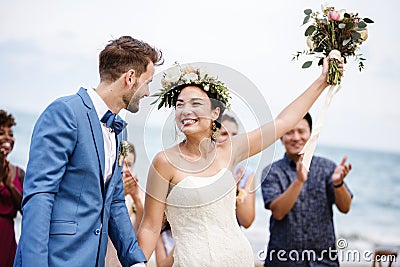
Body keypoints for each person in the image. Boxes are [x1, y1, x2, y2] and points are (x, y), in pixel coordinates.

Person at [137, 57, 343, 266]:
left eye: (196, 104)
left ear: (215, 112)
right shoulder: (164, 162)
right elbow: (150, 227)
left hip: (238, 258)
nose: (185, 111)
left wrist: (323, 80)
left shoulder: (230, 150)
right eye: (179, 105)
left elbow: (282, 122)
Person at [14, 36, 163, 267]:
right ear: (130, 77)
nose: (147, 92)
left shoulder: (118, 130)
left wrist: (135, 261)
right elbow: (39, 196)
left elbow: (114, 202)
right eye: (147, 82)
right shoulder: (65, 113)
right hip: (56, 259)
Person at [261, 112, 353, 266]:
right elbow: (278, 212)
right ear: (281, 137)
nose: (296, 137)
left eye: (301, 131)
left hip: (324, 261)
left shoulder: (327, 167)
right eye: (289, 132)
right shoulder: (272, 171)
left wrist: (338, 184)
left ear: (311, 134)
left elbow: (345, 207)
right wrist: (299, 181)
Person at [105, 141, 145, 267]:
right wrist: (118, 195)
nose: (126, 169)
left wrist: (137, 199)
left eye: (130, 165)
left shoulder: (137, 196)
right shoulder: (104, 191)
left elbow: (144, 229)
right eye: (123, 163)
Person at [217, 114, 255, 228]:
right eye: (224, 134)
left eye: (235, 135)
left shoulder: (245, 173)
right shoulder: (200, 169)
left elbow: (247, 221)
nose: (231, 139)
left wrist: (235, 190)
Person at [0, 110, 25, 267]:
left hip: (7, 242)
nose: (8, 137)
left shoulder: (19, 173)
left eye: (10, 133)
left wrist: (10, 185)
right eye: (1, 132)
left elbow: (27, 210)